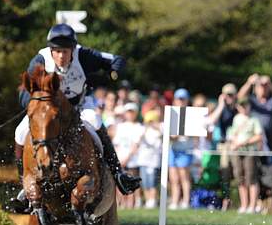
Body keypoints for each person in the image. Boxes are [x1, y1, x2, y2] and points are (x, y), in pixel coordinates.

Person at [10, 24, 141, 212]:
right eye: (56, 51)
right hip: (49, 110)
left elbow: (116, 60)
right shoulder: (40, 60)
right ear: (51, 50)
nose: (61, 56)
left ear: (73, 49)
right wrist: (35, 103)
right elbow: (24, 92)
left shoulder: (84, 56)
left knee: (95, 121)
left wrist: (114, 72)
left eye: (65, 51)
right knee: (20, 132)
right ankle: (24, 186)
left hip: (78, 105)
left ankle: (118, 174)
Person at [237, 74, 272, 164]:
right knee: (253, 172)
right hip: (253, 144)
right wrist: (249, 83)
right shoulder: (252, 101)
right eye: (260, 86)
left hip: (270, 144)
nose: (263, 88)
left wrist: (270, 84)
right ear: (256, 89)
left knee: (270, 172)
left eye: (265, 87)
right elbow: (240, 97)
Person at [228, 97, 263, 213]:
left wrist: (245, 142)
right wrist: (234, 142)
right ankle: (244, 204)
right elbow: (232, 134)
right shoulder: (236, 119)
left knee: (251, 177)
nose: (243, 108)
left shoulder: (254, 120)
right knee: (240, 177)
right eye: (241, 106)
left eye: (245, 105)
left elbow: (259, 136)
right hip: (238, 151)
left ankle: (252, 206)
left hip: (249, 151)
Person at [113, 103, 145, 208]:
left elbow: (135, 145)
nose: (130, 114)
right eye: (128, 112)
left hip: (132, 160)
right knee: (119, 181)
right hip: (120, 158)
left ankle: (131, 204)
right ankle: (121, 203)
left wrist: (126, 159)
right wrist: (119, 159)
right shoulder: (120, 126)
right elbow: (116, 144)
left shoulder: (139, 127)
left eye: (132, 112)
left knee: (131, 182)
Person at [131, 109, 163, 208]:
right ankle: (148, 199)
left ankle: (152, 200)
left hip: (154, 161)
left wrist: (156, 127)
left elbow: (160, 140)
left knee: (152, 182)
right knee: (144, 182)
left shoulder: (159, 130)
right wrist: (144, 131)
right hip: (143, 160)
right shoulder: (142, 130)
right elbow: (137, 142)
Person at [169, 88, 194, 209]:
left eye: (183, 99)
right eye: (178, 99)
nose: (180, 101)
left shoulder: (191, 115)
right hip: (173, 149)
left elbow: (193, 134)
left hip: (185, 150)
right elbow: (170, 135)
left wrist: (178, 135)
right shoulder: (171, 114)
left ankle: (185, 201)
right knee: (174, 178)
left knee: (184, 177)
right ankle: (174, 201)